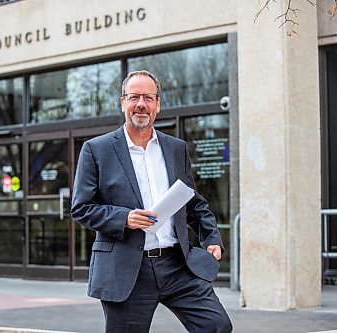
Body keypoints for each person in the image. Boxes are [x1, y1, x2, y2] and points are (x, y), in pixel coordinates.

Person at [71, 70, 232, 333]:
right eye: (134, 97)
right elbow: (81, 208)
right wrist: (124, 218)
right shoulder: (96, 149)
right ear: (123, 103)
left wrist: (211, 237)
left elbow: (193, 202)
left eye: (148, 97)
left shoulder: (175, 148)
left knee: (217, 326)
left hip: (177, 265)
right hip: (128, 270)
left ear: (158, 104)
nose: (141, 104)